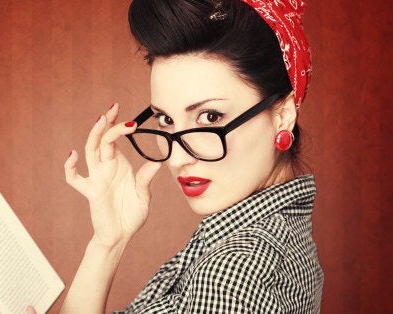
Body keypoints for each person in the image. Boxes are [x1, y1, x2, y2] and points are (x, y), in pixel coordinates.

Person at [32, 0, 324, 312]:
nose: (176, 158)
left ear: (282, 115)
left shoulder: (234, 272)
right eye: (166, 120)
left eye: (210, 117)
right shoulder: (273, 239)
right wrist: (109, 241)